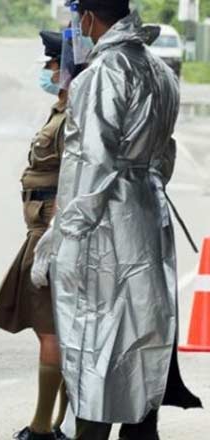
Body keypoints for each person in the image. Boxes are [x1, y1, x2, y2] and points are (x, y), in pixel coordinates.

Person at [31, 1, 202, 439]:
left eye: (76, 19)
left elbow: (90, 165)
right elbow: (166, 153)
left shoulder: (101, 74)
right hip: (147, 213)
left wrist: (60, 238)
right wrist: (141, 186)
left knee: (96, 353)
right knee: (141, 342)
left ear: (87, 18)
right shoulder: (160, 72)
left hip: (103, 228)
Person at [0, 31, 72, 440]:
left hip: (51, 230)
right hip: (41, 225)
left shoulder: (75, 112)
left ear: (67, 67)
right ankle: (58, 422)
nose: (47, 70)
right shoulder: (62, 108)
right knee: (51, 328)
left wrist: (57, 226)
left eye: (52, 64)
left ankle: (44, 427)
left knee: (51, 328)